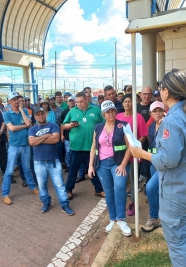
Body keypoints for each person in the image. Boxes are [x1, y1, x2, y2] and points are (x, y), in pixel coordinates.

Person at [129, 69, 186, 267]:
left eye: (161, 89)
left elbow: (168, 161)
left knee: (179, 242)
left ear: (166, 92)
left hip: (180, 190)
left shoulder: (172, 120)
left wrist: (143, 154)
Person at [88, 101, 132, 236]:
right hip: (102, 164)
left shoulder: (123, 125)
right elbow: (94, 147)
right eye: (107, 112)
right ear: (103, 114)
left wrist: (123, 164)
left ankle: (121, 219)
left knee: (119, 187)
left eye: (112, 110)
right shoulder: (98, 127)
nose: (111, 113)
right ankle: (113, 218)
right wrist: (90, 165)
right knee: (108, 191)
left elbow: (130, 146)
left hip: (118, 163)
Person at [29, 107, 74, 215]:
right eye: (38, 115)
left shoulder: (53, 125)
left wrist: (38, 139)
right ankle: (46, 203)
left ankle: (64, 204)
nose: (40, 116)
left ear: (45, 114)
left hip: (53, 161)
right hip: (39, 162)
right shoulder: (32, 129)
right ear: (35, 116)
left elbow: (55, 139)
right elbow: (31, 142)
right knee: (42, 185)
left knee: (59, 184)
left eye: (42, 114)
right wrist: (47, 136)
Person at [62, 92, 104, 200]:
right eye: (77, 102)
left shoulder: (96, 110)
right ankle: (69, 190)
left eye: (81, 101)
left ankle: (99, 189)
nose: (79, 104)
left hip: (91, 147)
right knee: (73, 170)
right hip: (76, 147)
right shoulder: (73, 111)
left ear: (86, 100)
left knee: (93, 169)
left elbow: (104, 124)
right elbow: (63, 126)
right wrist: (71, 125)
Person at [2, 92, 39, 205]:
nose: (17, 101)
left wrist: (22, 110)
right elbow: (12, 128)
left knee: (27, 168)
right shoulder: (7, 114)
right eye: (14, 99)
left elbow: (29, 123)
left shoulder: (26, 111)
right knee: (9, 170)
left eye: (17, 99)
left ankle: (32, 187)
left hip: (25, 145)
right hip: (14, 146)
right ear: (9, 101)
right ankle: (5, 194)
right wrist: (24, 126)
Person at [116, 94, 148, 216]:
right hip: (120, 154)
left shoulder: (138, 117)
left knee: (134, 180)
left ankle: (132, 203)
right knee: (122, 180)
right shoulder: (118, 116)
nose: (127, 104)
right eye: (125, 101)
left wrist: (137, 146)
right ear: (122, 104)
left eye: (130, 101)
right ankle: (120, 203)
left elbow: (144, 134)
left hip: (134, 153)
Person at [141, 101, 165, 232]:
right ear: (150, 113)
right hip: (153, 161)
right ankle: (159, 217)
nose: (157, 113)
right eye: (155, 111)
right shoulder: (150, 127)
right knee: (156, 190)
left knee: (151, 187)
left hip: (163, 162)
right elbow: (150, 143)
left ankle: (154, 217)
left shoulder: (167, 125)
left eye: (159, 110)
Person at [61, 96, 76, 172]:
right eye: (70, 101)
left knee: (75, 153)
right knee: (68, 153)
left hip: (76, 136)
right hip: (67, 136)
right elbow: (62, 124)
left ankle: (74, 167)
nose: (71, 102)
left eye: (72, 100)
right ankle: (69, 166)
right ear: (67, 102)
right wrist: (62, 135)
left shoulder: (78, 111)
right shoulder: (64, 112)